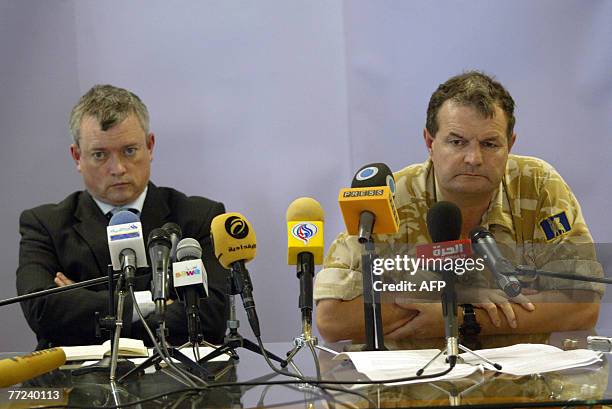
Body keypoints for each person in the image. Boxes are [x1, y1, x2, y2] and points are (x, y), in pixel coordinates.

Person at [315, 71, 603, 343]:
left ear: (510, 144)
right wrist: (444, 294)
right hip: (414, 390)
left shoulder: (536, 185)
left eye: (490, 144)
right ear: (430, 142)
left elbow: (583, 306)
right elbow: (333, 319)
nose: (473, 158)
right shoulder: (392, 197)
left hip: (520, 386)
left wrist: (460, 318)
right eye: (457, 142)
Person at [17, 85, 228, 350]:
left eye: (129, 151)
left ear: (150, 147)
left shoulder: (199, 218)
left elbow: (209, 317)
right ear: (77, 157)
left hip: (182, 381)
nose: (117, 168)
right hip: (78, 384)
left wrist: (84, 300)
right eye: (99, 155)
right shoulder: (45, 225)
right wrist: (155, 304)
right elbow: (43, 310)